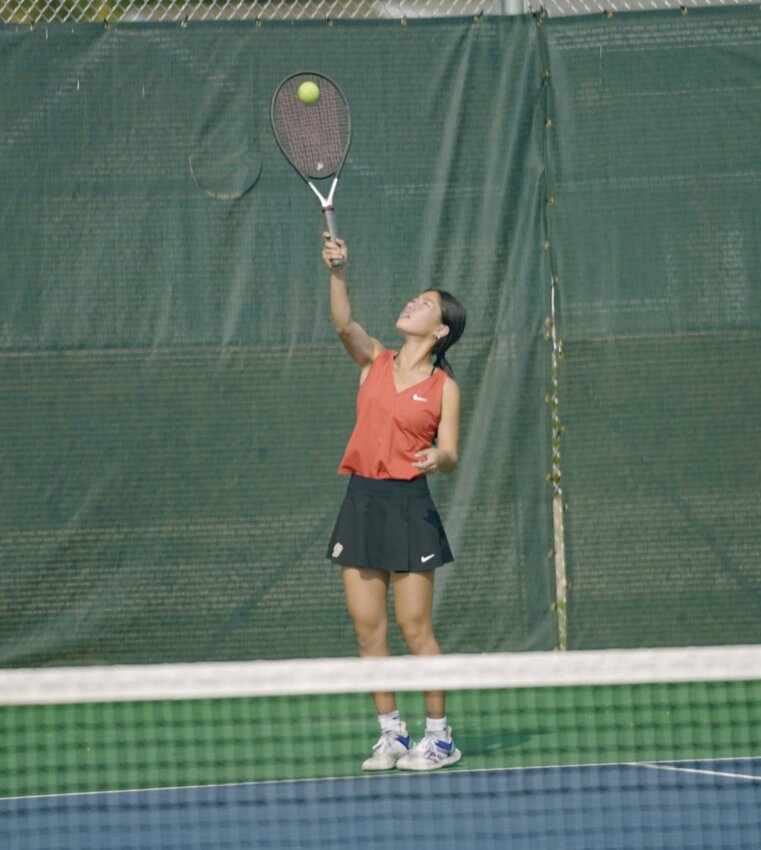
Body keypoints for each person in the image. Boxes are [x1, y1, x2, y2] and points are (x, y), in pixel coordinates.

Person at [322, 233, 466, 772]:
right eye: (414, 299)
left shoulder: (443, 387)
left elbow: (450, 450)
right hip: (362, 500)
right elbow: (343, 324)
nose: (413, 304)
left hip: (410, 505)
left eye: (424, 303)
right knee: (368, 629)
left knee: (414, 627)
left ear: (441, 329)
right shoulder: (374, 361)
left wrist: (438, 459)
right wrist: (338, 272)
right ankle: (392, 735)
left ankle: (440, 738)